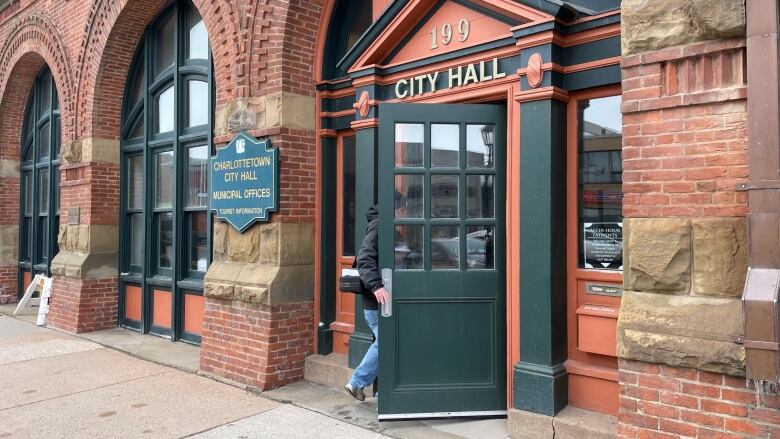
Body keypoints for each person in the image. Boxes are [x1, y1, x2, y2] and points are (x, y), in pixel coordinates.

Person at [344, 204, 389, 401]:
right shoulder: (380, 225)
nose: (404, 213)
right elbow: (364, 258)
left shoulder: (387, 225)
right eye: (403, 209)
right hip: (375, 300)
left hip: (380, 300)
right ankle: (357, 383)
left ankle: (381, 390)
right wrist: (376, 285)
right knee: (386, 342)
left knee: (389, 342)